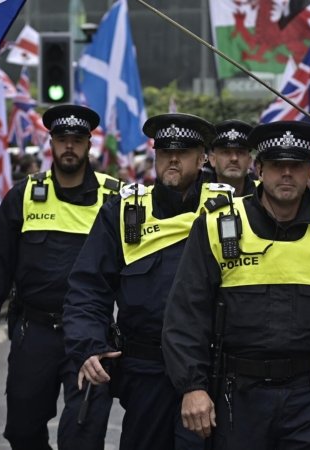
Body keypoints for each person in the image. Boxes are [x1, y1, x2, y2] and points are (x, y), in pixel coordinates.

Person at [161, 120, 310, 448]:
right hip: (239, 398)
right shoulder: (217, 225)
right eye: (278, 165)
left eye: (296, 165)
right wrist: (192, 387)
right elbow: (185, 314)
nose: (287, 174)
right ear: (260, 169)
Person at [63, 113, 218, 450]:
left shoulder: (227, 212)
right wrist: (89, 345)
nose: (172, 160)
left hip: (210, 369)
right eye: (164, 152)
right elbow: (88, 287)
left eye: (183, 152)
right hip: (146, 370)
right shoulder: (123, 212)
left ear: (202, 158)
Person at [0, 104, 120, 450]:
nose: (69, 146)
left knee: (83, 434)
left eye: (77, 140)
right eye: (62, 139)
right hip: (34, 332)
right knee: (22, 432)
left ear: (89, 144)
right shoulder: (24, 194)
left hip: (90, 334)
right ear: (50, 143)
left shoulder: (114, 197)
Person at [209, 120, 257, 197]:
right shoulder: (197, 195)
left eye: (240, 152)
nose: (234, 158)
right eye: (226, 152)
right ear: (213, 159)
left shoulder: (263, 195)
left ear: (249, 161)